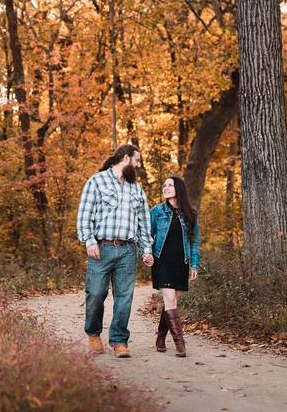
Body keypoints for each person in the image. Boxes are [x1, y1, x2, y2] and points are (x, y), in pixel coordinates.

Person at [76, 144, 154, 358]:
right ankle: (93, 333)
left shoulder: (137, 190)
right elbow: (84, 215)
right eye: (137, 161)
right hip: (101, 248)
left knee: (125, 297)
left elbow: (144, 225)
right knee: (96, 294)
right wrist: (89, 241)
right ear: (126, 158)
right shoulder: (97, 181)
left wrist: (146, 249)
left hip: (128, 250)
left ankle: (119, 340)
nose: (138, 165)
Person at [150, 176, 200, 357]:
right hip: (161, 261)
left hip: (181, 263)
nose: (165, 188)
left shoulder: (190, 214)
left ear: (179, 188)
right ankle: (180, 343)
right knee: (170, 299)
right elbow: (147, 235)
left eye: (170, 185)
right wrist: (146, 253)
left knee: (171, 302)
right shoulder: (157, 211)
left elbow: (195, 242)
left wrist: (194, 264)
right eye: (164, 185)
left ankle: (160, 337)